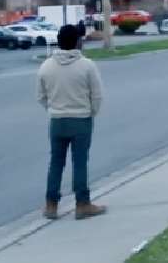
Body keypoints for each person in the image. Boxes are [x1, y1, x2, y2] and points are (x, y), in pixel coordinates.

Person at [37, 24, 107, 220]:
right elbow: (97, 95)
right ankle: (82, 204)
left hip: (57, 120)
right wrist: (90, 112)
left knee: (56, 162)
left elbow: (40, 96)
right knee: (80, 162)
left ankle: (51, 205)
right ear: (77, 42)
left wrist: (54, 109)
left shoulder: (46, 66)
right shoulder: (87, 65)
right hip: (81, 119)